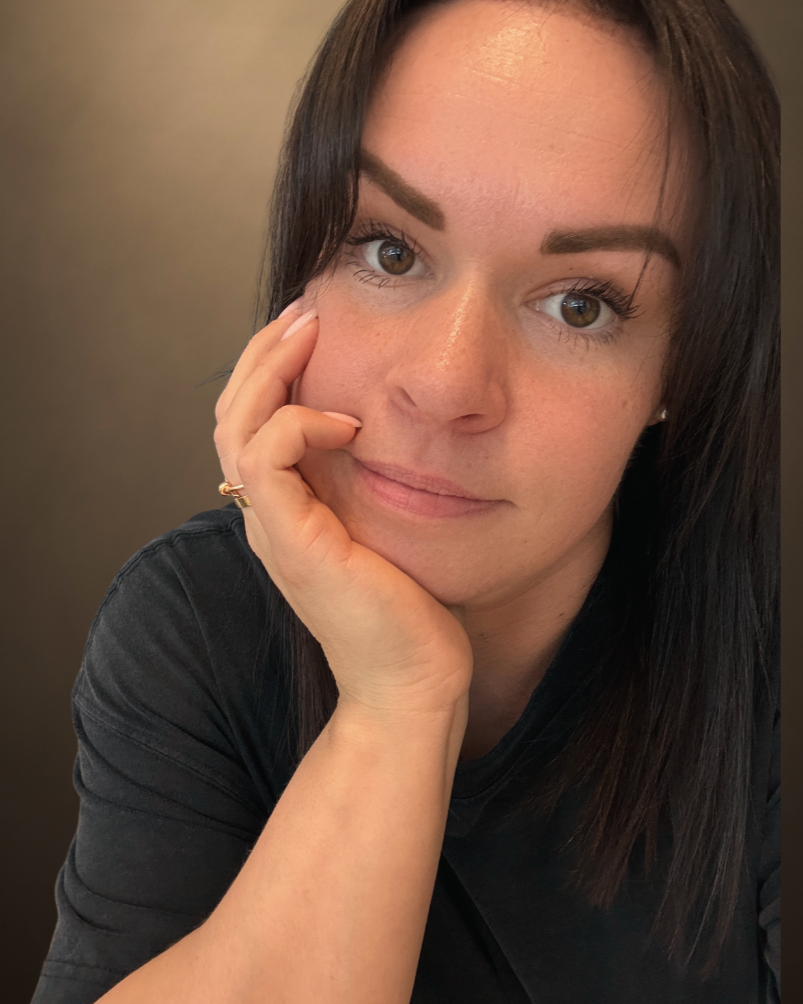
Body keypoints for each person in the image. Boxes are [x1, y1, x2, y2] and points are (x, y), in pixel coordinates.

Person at [32, 0, 779, 1001]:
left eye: (580, 303)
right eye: (388, 250)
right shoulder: (195, 624)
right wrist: (397, 703)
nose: (444, 383)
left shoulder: (764, 661)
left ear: (678, 370)